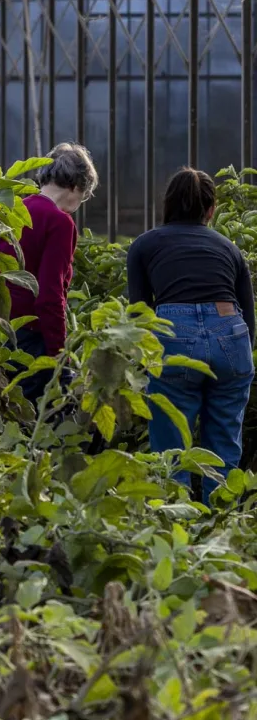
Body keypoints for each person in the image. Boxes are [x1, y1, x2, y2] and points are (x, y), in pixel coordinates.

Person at [127, 168, 255, 501]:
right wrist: (239, 362)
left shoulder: (144, 245)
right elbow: (248, 312)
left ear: (167, 205)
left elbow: (139, 312)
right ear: (211, 210)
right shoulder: (229, 249)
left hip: (173, 335)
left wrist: (142, 363)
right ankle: (224, 521)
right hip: (231, 334)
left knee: (171, 446)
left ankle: (176, 518)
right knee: (225, 445)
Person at [0, 143, 98, 405]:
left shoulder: (12, 210)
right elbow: (50, 295)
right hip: (27, 335)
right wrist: (59, 355)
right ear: (76, 186)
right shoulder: (59, 222)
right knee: (38, 412)